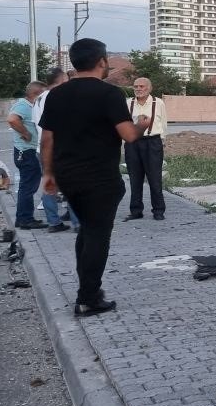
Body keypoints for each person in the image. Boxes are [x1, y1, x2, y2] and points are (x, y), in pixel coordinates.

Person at [39, 38, 144, 317]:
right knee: (97, 235)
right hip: (99, 178)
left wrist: (48, 173)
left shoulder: (56, 95)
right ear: (101, 61)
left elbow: (47, 140)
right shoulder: (109, 94)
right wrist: (142, 125)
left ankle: (89, 292)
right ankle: (88, 298)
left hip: (68, 177)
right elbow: (129, 135)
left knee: (86, 231)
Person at [34, 68, 79, 233]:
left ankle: (53, 222)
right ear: (61, 80)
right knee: (73, 184)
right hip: (60, 148)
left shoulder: (39, 98)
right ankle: (77, 222)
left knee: (49, 184)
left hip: (42, 148)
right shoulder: (59, 97)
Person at [124, 77, 168, 221]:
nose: (138, 89)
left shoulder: (158, 103)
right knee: (135, 178)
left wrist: (162, 141)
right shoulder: (129, 103)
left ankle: (158, 210)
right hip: (133, 143)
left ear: (149, 88)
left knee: (155, 178)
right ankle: (136, 210)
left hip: (152, 142)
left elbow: (163, 123)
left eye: (141, 86)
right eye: (136, 86)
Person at [7, 80, 47, 229]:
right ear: (37, 93)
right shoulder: (23, 105)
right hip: (25, 152)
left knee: (28, 185)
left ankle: (23, 218)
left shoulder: (30, 106)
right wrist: (26, 133)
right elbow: (12, 119)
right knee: (28, 186)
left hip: (26, 151)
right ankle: (25, 219)